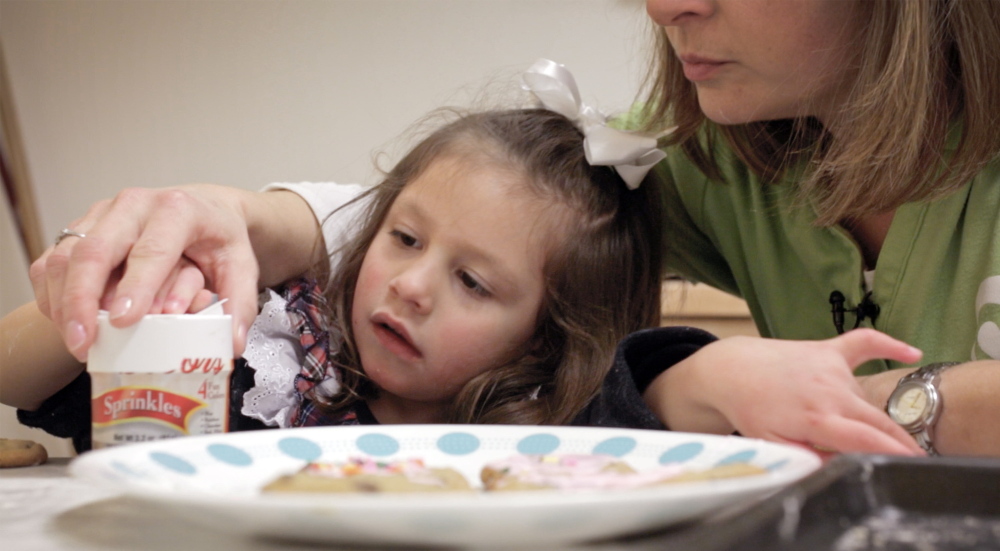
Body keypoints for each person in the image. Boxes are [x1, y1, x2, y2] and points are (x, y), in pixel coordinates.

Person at [22, 1, 1000, 456]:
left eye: (472, 288)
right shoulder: (731, 160)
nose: (665, 6)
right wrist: (241, 217)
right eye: (403, 245)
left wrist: (695, 379)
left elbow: (622, 369)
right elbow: (494, 219)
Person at [4, 70, 712, 450]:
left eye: (471, 281)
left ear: (550, 336)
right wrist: (97, 305)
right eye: (404, 238)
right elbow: (18, 378)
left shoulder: (544, 447)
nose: (409, 286)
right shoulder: (275, 356)